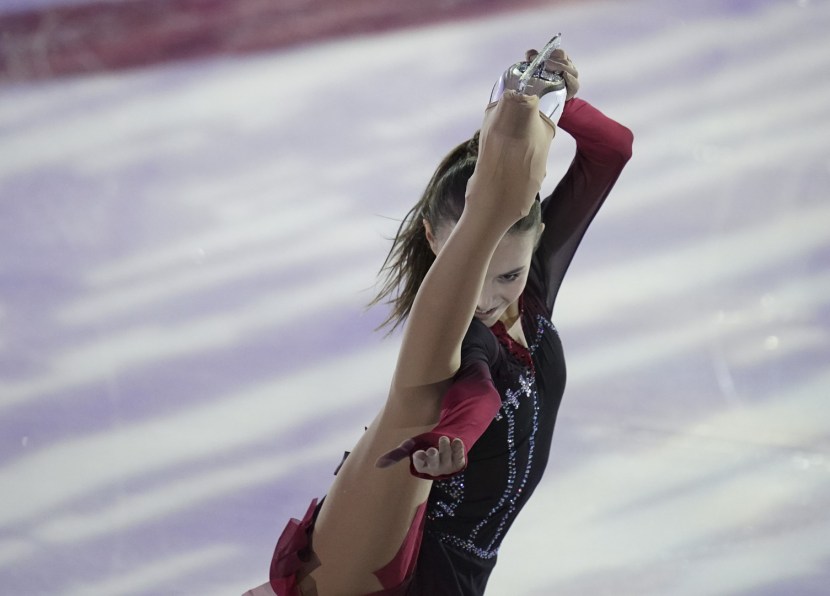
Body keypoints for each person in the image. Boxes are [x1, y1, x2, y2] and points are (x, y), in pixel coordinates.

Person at [246, 42, 632, 596]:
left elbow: (613, 151)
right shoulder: (462, 336)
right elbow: (477, 393)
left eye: (508, 274)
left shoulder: (534, 285)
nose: (486, 298)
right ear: (434, 239)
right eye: (473, 269)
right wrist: (452, 437)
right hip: (406, 548)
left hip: (466, 566)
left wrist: (558, 103)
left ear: (534, 248)